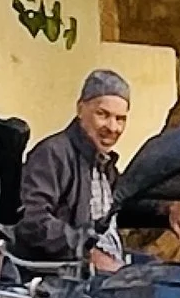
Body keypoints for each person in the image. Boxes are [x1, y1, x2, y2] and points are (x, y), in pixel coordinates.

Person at [17, 69, 134, 269]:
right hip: (70, 276)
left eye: (120, 119)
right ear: (80, 110)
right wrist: (88, 253)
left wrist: (170, 209)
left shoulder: (105, 165)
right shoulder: (53, 154)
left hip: (113, 266)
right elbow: (33, 222)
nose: (113, 127)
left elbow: (129, 198)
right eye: (103, 114)